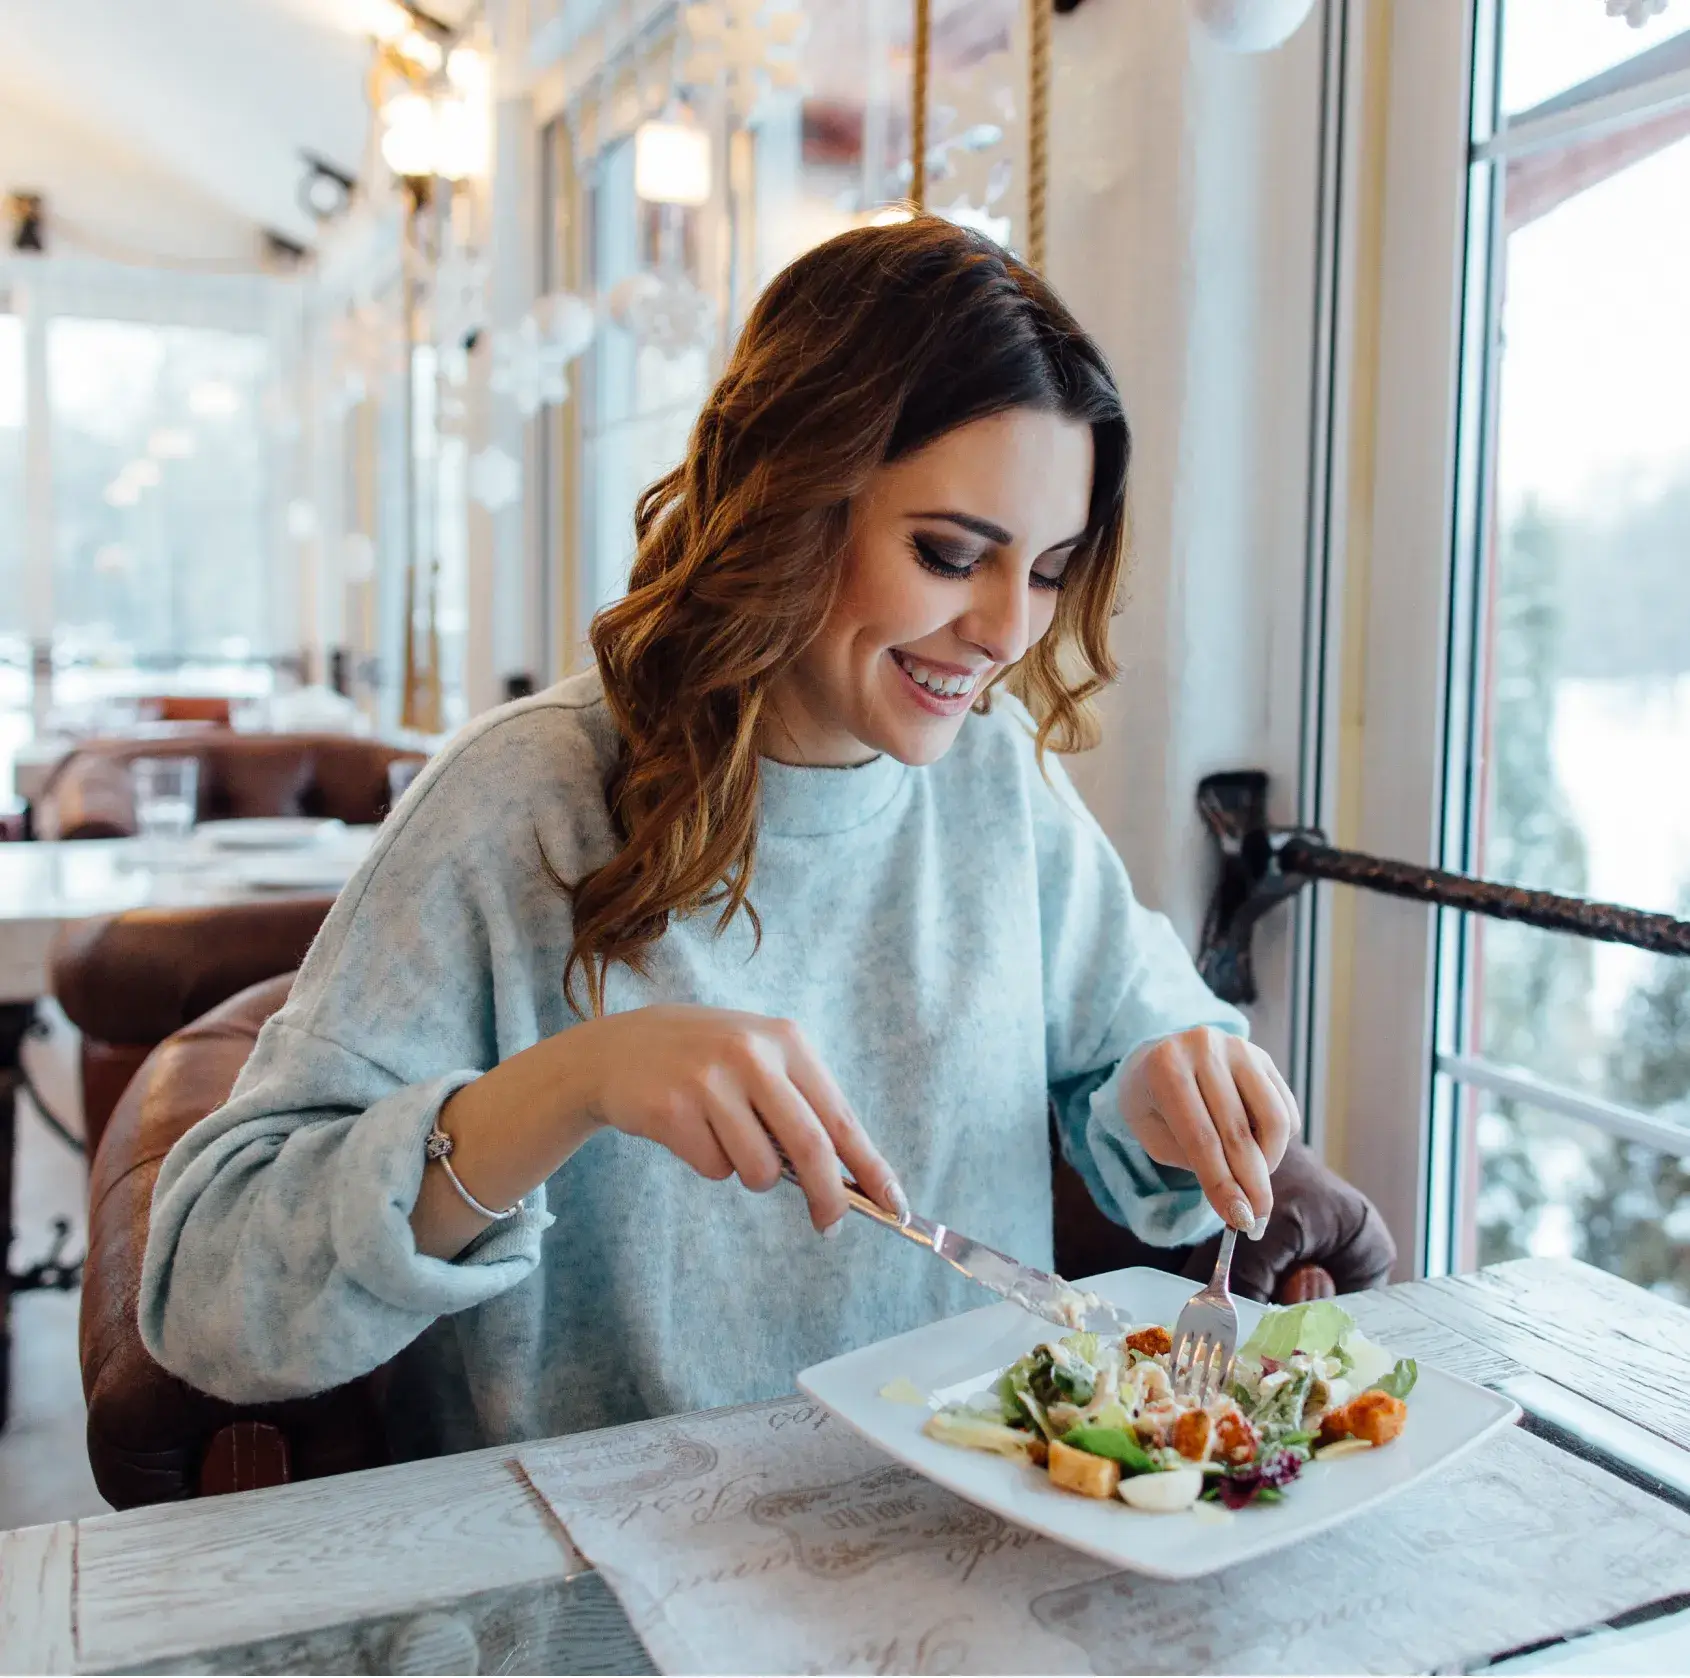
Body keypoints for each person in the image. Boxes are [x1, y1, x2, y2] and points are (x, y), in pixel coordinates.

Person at [141, 217, 1296, 1462]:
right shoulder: (522, 796)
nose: (1007, 630)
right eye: (949, 555)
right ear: (791, 498)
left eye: (1051, 569)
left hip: (969, 1536)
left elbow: (1131, 1080)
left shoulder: (994, 774)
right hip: (601, 1595)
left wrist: (1173, 1092)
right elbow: (209, 1299)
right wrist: (570, 1083)